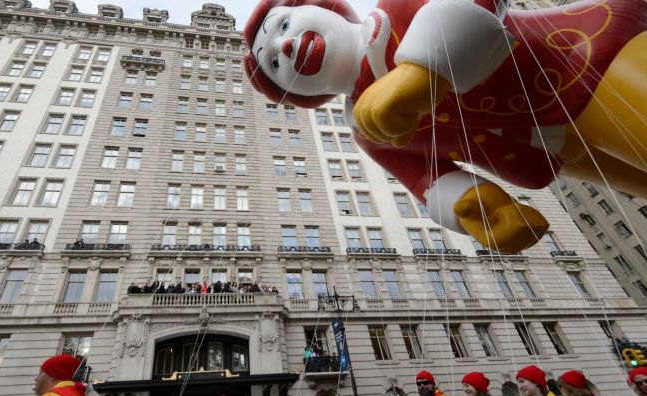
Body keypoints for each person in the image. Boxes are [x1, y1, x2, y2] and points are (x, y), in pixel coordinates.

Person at [243, 0, 647, 254]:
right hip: (559, 149)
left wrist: (421, 73)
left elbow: (475, 6)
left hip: (589, 58)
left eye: (282, 26)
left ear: (323, 7)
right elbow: (427, 179)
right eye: (274, 65)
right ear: (304, 95)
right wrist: (475, 209)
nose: (284, 47)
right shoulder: (371, 135)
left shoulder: (397, 10)